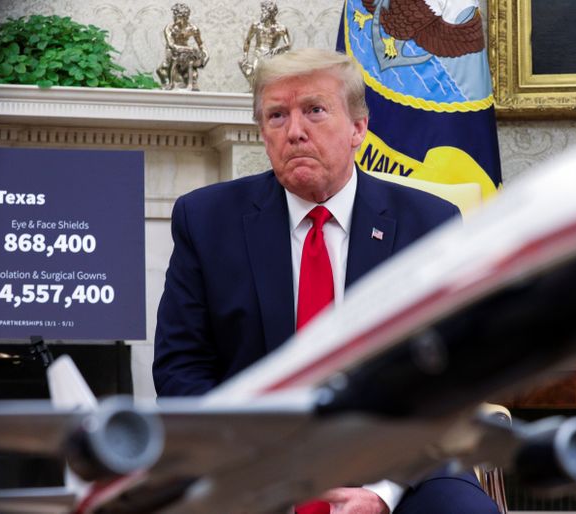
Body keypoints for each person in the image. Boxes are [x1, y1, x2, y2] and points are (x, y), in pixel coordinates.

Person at [153, 48, 499, 514]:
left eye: (314, 110)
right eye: (277, 115)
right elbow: (181, 371)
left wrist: (383, 491)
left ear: (358, 128)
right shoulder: (206, 219)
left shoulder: (427, 224)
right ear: (263, 132)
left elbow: (451, 374)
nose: (294, 131)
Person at [156, 3, 209, 90]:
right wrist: (190, 49)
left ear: (186, 17)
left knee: (192, 75)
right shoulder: (169, 28)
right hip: (173, 53)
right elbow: (171, 45)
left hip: (185, 56)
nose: (176, 19)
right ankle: (169, 85)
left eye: (179, 17)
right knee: (162, 71)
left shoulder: (193, 29)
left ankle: (188, 85)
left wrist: (206, 55)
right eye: (175, 16)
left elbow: (201, 44)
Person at [239, 0, 291, 85]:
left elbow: (288, 45)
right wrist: (245, 57)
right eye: (262, 11)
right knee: (255, 76)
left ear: (271, 13)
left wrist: (280, 48)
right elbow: (248, 40)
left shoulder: (281, 28)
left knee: (270, 79)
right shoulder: (256, 25)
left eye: (264, 11)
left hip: (271, 55)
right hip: (258, 53)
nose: (262, 14)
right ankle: (254, 91)